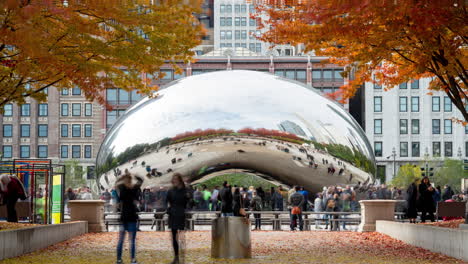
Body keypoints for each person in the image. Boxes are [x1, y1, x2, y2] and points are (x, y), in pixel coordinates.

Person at [115, 173, 144, 264]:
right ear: (131, 179)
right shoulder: (134, 188)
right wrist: (135, 175)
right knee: (132, 241)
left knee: (121, 240)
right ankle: (133, 260)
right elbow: (141, 180)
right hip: (131, 216)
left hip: (124, 217)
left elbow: (116, 184)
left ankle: (119, 260)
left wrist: (121, 177)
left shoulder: (121, 187)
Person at [166, 173, 189, 264]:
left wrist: (189, 200)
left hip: (181, 213)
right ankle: (176, 257)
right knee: (174, 236)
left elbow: (188, 202)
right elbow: (167, 201)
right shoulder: (170, 191)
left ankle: (182, 257)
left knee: (181, 236)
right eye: (173, 178)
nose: (174, 180)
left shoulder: (185, 190)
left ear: (179, 180)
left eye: (176, 179)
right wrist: (168, 208)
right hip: (173, 213)